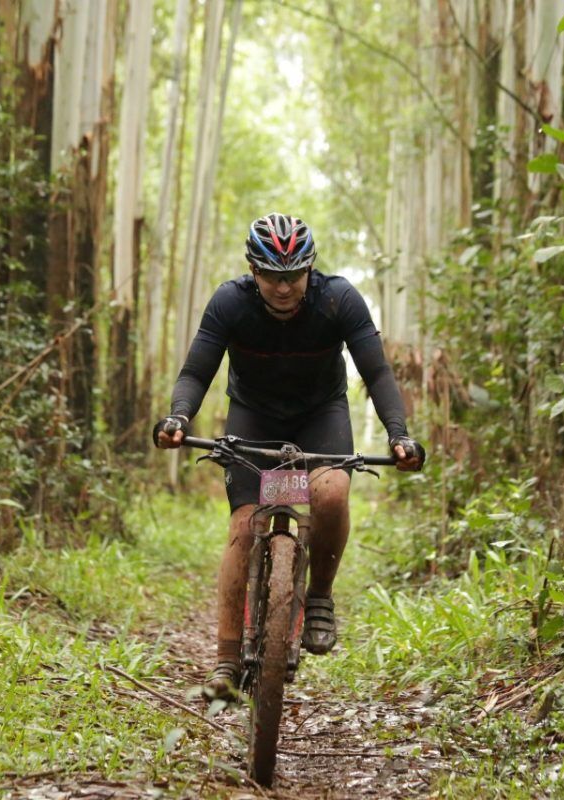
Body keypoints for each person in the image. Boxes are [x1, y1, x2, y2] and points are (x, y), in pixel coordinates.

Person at [153, 213, 424, 699]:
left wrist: (398, 435)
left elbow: (377, 373)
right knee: (243, 525)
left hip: (321, 414)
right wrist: (178, 418)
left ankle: (319, 596)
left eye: (294, 275)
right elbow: (197, 371)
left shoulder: (339, 299)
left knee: (332, 492)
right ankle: (226, 662)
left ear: (310, 269)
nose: (283, 288)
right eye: (273, 276)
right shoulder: (229, 302)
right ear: (253, 272)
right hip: (253, 416)